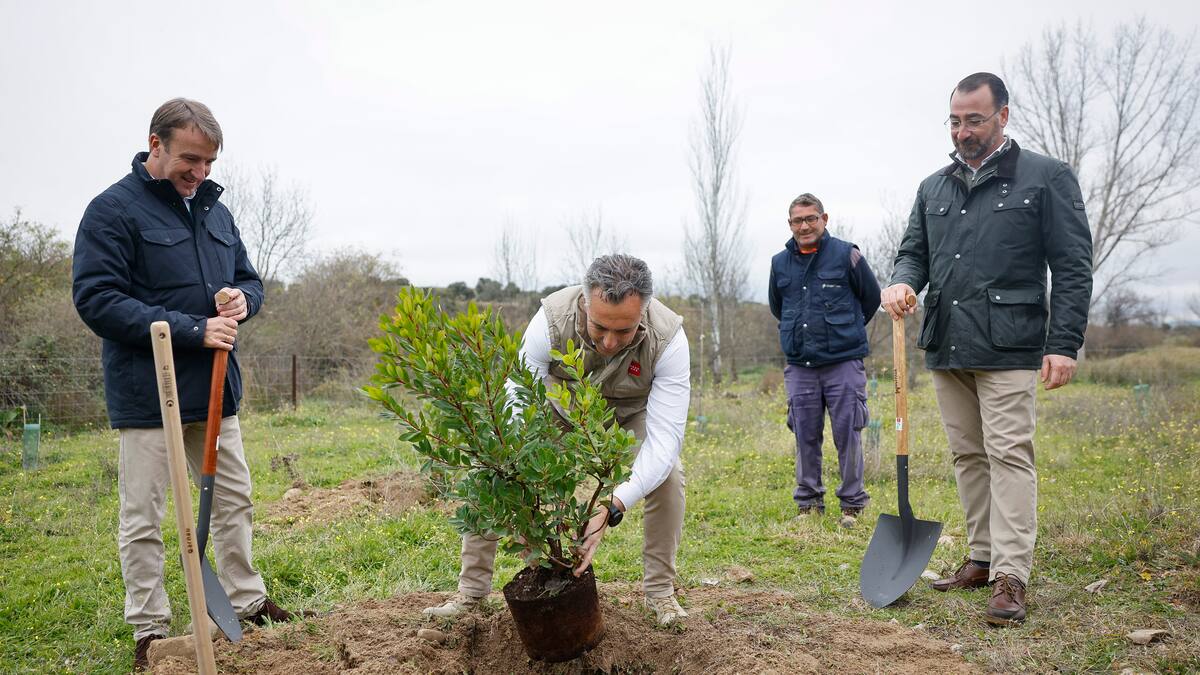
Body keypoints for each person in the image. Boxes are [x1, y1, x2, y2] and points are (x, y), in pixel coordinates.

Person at [72, 98, 308, 670]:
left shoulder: (214, 212)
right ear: (156, 145)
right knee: (145, 514)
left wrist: (241, 301)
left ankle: (245, 603)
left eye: (208, 163)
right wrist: (192, 328)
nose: (199, 173)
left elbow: (251, 281)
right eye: (189, 160)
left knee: (234, 500)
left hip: (215, 390)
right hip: (148, 391)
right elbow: (97, 299)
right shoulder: (112, 212)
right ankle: (150, 629)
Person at [881, 73, 1092, 625]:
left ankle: (1011, 576)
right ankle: (980, 557)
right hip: (947, 343)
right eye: (954, 120)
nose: (962, 130)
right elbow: (913, 255)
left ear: (1002, 115)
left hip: (1012, 344)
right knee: (968, 456)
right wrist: (902, 282)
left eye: (974, 119)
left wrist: (1064, 342)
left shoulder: (1046, 178)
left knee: (1009, 455)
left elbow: (1072, 266)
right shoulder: (934, 187)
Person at [423, 254, 691, 626]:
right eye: (600, 328)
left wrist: (611, 506)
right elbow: (516, 406)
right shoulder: (550, 320)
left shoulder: (669, 337)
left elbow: (664, 443)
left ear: (643, 313)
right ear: (585, 301)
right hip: (559, 410)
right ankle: (470, 593)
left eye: (624, 331)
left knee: (670, 475)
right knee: (492, 466)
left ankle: (660, 594)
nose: (610, 342)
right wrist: (527, 494)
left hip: (629, 417)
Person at [768, 193, 881, 528]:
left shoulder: (848, 255)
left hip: (843, 363)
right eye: (797, 221)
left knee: (848, 433)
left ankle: (852, 505)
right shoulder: (779, 263)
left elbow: (871, 298)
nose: (804, 226)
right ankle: (809, 504)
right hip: (800, 366)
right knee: (804, 433)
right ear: (790, 224)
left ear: (824, 219)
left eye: (810, 219)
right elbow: (778, 306)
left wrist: (845, 331)